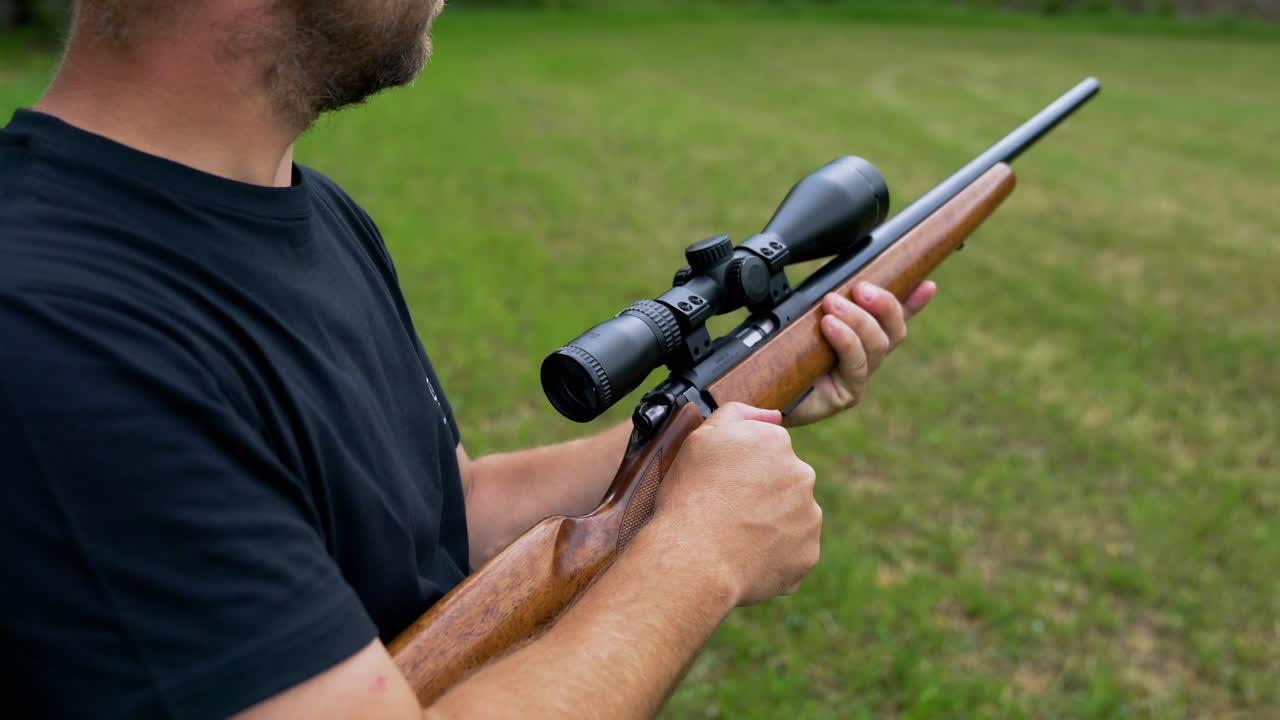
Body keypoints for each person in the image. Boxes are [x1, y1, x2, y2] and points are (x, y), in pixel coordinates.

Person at [0, 2, 937, 718]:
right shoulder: (56, 333)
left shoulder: (309, 208)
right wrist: (701, 553)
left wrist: (707, 424)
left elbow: (448, 513)